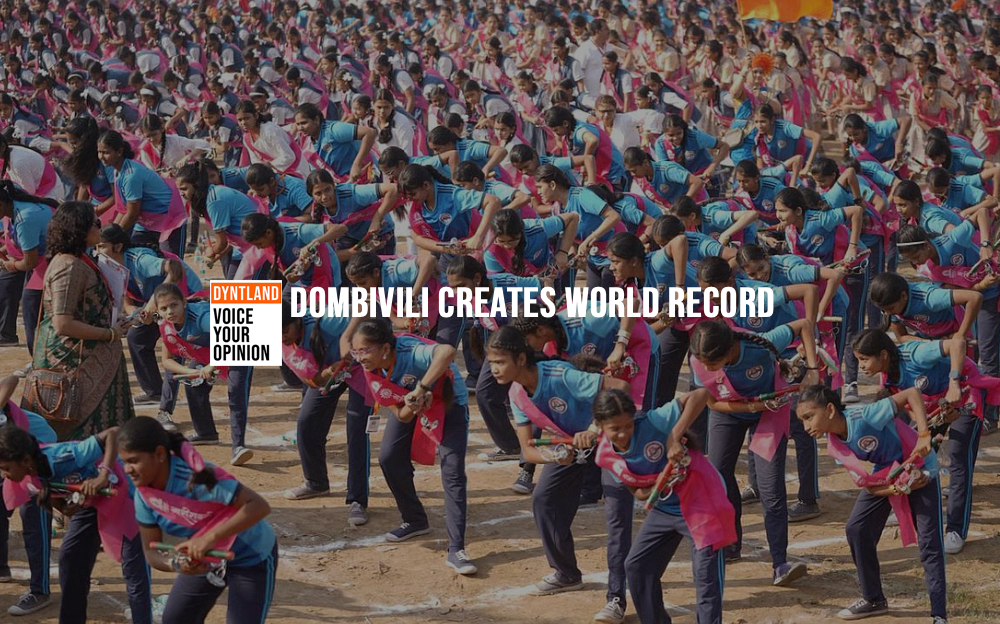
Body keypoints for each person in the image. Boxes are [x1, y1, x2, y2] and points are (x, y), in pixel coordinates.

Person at [486, 326, 629, 601]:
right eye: (491, 362)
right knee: (545, 501)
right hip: (573, 445)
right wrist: (555, 456)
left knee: (616, 516)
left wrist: (593, 428)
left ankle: (616, 598)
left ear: (521, 359)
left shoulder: (560, 375)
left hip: (610, 437)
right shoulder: (516, 394)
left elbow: (620, 388)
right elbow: (528, 451)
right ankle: (566, 573)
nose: (494, 369)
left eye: (500, 362)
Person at [796, 385, 946, 624]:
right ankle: (873, 599)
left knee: (929, 543)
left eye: (809, 417)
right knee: (857, 529)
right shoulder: (835, 446)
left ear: (830, 410)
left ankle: (939, 614)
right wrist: (898, 489)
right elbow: (869, 485)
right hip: (888, 474)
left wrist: (923, 435)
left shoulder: (865, 416)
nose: (806, 427)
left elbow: (911, 393)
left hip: (920, 467)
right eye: (802, 420)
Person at [689, 319, 819, 584]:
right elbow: (712, 403)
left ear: (729, 351)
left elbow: (804, 324)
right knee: (718, 475)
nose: (707, 369)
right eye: (703, 362)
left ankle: (780, 563)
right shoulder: (698, 361)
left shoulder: (762, 345)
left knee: (771, 489)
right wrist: (750, 407)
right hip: (730, 411)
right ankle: (731, 544)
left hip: (769, 414)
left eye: (712, 363)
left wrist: (813, 370)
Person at [346, 318, 477, 575]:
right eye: (355, 351)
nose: (359, 358)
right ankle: (414, 519)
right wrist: (413, 404)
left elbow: (447, 351)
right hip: (414, 400)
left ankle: (456, 548)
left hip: (448, 401)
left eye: (365, 350)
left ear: (385, 348)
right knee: (389, 457)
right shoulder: (372, 370)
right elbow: (401, 415)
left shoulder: (410, 351)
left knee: (452, 472)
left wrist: (421, 387)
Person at [592, 387, 733, 624]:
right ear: (600, 426)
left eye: (628, 425)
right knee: (637, 566)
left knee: (705, 576)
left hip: (702, 501)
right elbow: (638, 493)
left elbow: (701, 394)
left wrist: (674, 436)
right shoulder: (605, 456)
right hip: (666, 506)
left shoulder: (654, 421)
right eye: (615, 429)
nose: (623, 434)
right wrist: (657, 484)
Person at [117, 417, 278, 624]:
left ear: (159, 454)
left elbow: (259, 506)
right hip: (205, 559)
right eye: (124, 462)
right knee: (175, 620)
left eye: (133, 461)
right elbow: (151, 551)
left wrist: (208, 539)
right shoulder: (143, 496)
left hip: (251, 556)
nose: (127, 469)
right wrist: (178, 564)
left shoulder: (199, 478)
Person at [0, 425, 152, 624]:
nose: (3, 475)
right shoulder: (30, 475)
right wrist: (68, 506)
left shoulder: (65, 456)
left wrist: (103, 476)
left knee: (133, 567)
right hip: (94, 503)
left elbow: (113, 433)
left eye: (6, 468)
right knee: (71, 558)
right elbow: (64, 504)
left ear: (26, 461)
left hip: (126, 495)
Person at [29, 201, 135, 440]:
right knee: (77, 438)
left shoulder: (80, 260)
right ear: (79, 229)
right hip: (73, 366)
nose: (100, 227)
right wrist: (109, 333)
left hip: (92, 361)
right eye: (95, 223)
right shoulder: (68, 266)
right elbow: (62, 323)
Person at [279, 301, 372, 526]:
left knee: (357, 429)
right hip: (332, 371)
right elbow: (313, 380)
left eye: (285, 331)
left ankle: (357, 499)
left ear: (297, 321)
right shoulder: (285, 345)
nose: (282, 338)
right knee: (307, 422)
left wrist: (346, 339)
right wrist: (331, 370)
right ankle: (316, 482)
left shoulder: (327, 320)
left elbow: (365, 307)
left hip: (362, 367)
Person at [151, 283, 255, 465]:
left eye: (174, 305)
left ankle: (238, 446)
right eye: (164, 308)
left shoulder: (202, 317)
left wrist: (212, 365)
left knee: (236, 393)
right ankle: (206, 433)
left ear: (184, 302)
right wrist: (194, 372)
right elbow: (167, 360)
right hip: (209, 350)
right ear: (158, 311)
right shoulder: (166, 326)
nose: (170, 311)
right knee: (194, 386)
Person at [0, 182, 55, 353]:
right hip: (44, 258)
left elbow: (30, 262)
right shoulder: (12, 208)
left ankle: (40, 358)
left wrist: (12, 265)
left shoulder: (25, 218)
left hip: (54, 261)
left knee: (31, 305)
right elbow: (19, 242)